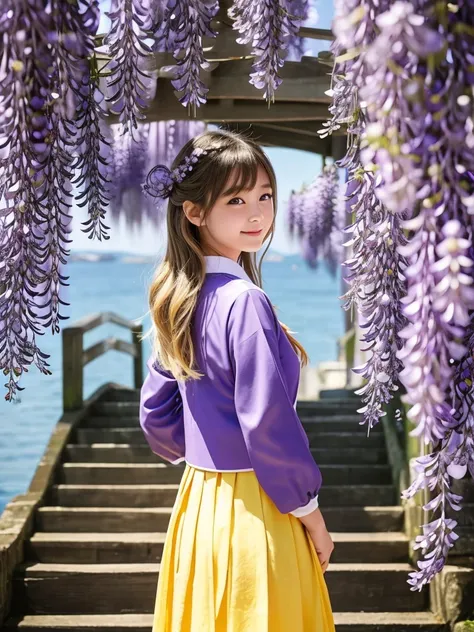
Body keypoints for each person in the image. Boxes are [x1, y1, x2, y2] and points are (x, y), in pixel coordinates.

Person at [139, 128, 335, 631]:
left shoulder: (178, 299)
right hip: (258, 510)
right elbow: (267, 423)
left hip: (200, 505)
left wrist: (210, 446)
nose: (257, 214)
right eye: (236, 199)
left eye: (265, 196)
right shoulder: (244, 301)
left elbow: (157, 419)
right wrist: (311, 513)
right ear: (194, 211)